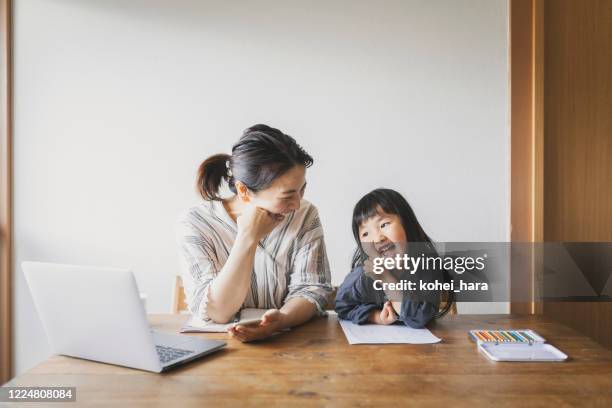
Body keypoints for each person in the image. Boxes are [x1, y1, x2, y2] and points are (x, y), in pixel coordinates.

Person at [176, 124, 332, 342]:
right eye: (287, 196)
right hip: (215, 348)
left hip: (289, 344)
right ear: (243, 191)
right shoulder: (196, 223)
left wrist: (282, 320)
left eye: (301, 189)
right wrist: (247, 237)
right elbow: (218, 312)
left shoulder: (305, 215)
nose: (297, 204)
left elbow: (311, 288)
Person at [335, 188, 454, 328]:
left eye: (384, 225)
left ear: (406, 224)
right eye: (366, 233)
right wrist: (375, 316)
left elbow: (418, 318)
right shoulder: (362, 276)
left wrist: (386, 279)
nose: (378, 238)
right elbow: (342, 306)